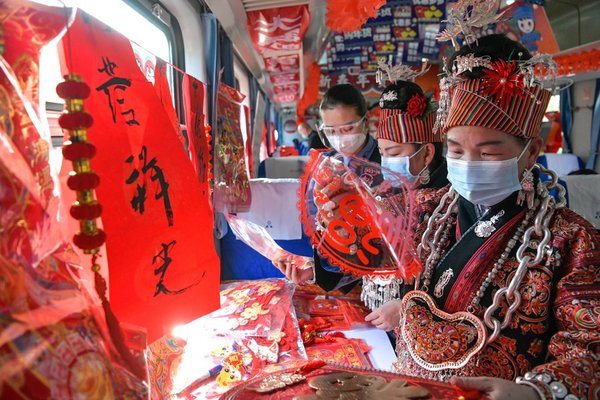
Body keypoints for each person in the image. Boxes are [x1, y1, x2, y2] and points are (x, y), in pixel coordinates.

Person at [393, 33, 599, 400]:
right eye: (455, 151)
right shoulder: (428, 211)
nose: (468, 166)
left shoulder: (571, 240)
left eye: (488, 154)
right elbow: (390, 263)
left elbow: (590, 349)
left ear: (531, 152)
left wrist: (535, 393)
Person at [362, 73, 448, 331]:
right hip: (377, 325)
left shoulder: (451, 204)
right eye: (383, 153)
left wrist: (408, 308)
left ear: (427, 153)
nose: (386, 162)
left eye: (395, 153)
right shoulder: (382, 192)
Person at [273, 84, 380, 287]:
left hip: (381, 276)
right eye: (331, 131)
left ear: (365, 122)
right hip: (345, 274)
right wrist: (313, 269)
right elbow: (317, 226)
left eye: (348, 128)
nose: (340, 138)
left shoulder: (385, 161)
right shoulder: (325, 165)